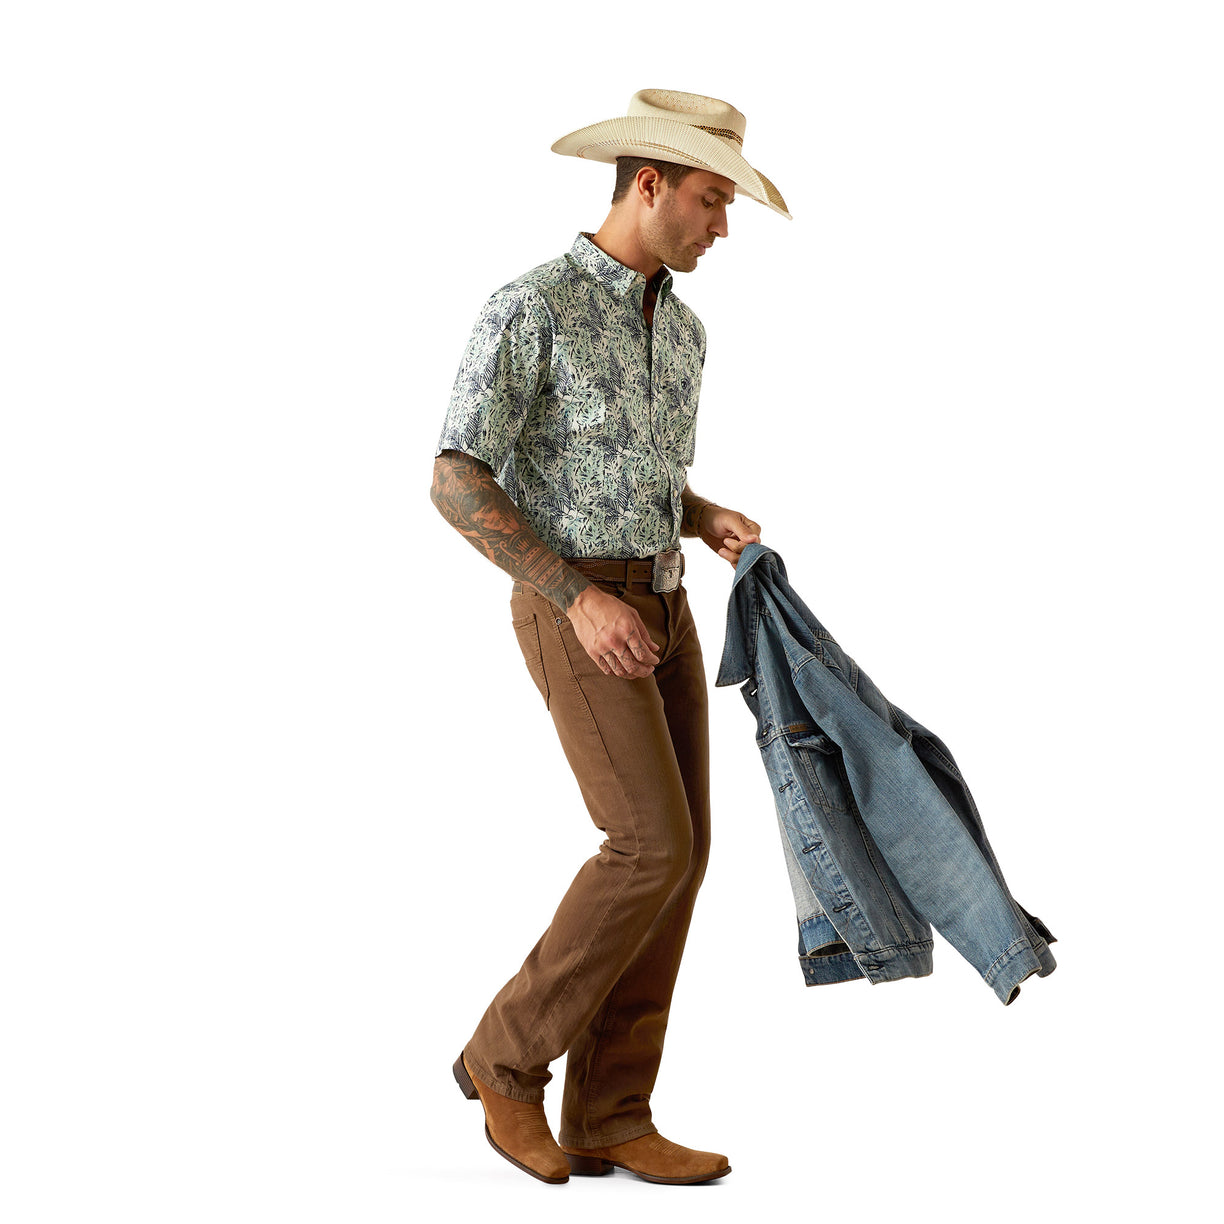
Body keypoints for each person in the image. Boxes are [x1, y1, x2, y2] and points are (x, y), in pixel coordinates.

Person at [430, 89, 790, 1186]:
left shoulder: (683, 328)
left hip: (672, 604)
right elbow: (455, 476)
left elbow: (635, 474)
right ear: (648, 185)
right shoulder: (528, 306)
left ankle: (611, 1112)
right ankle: (503, 1058)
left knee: (683, 859)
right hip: (572, 601)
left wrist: (702, 511)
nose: (722, 226)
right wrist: (575, 597)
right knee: (650, 843)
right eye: (711, 200)